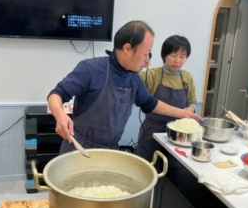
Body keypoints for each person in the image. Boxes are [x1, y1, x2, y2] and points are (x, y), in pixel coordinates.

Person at [47, 21, 202, 155]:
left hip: (110, 150)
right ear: (127, 48)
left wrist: (183, 113)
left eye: (149, 55)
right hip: (79, 147)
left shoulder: (133, 78)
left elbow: (150, 103)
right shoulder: (91, 69)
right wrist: (60, 116)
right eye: (146, 54)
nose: (147, 61)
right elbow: (56, 94)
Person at [136, 35, 197, 162]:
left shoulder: (187, 77)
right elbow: (132, 79)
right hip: (152, 131)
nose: (177, 61)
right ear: (164, 55)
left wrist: (190, 109)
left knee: (174, 167)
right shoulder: (153, 75)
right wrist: (140, 64)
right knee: (148, 165)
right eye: (173, 56)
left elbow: (193, 101)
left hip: (178, 133)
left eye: (182, 57)